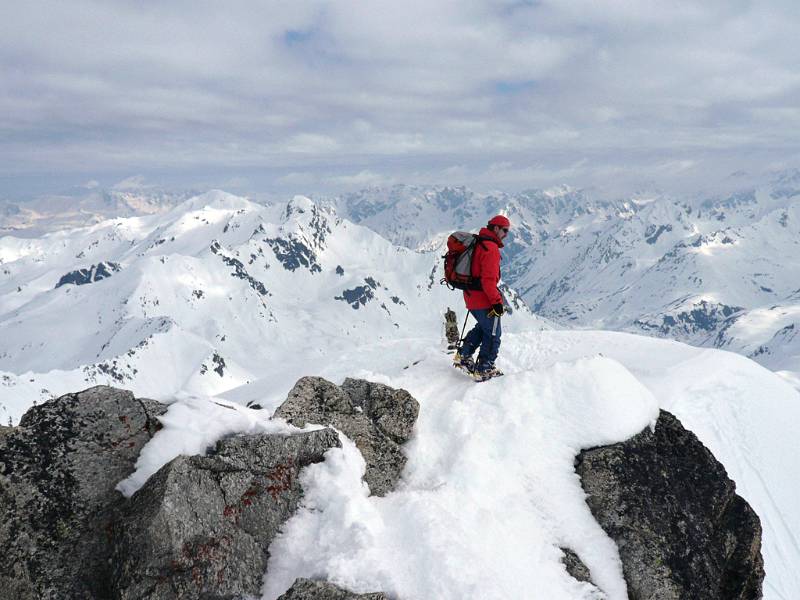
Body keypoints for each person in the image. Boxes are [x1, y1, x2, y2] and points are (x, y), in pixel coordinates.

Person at [454, 215, 510, 381]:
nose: (506, 234)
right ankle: (484, 368)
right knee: (493, 334)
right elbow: (488, 281)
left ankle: (463, 356)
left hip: (471, 296)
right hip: (483, 299)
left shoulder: (479, 243)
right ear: (496, 228)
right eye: (504, 230)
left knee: (485, 328)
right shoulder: (491, 249)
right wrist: (497, 303)